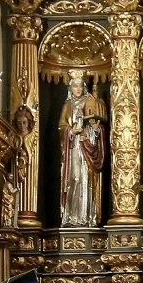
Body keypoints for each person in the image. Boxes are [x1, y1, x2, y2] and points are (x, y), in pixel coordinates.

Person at [59, 71, 106, 227]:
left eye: (80, 86)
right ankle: (72, 217)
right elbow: (61, 127)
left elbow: (97, 126)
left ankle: (87, 217)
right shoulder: (67, 105)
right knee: (75, 179)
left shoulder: (91, 101)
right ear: (70, 88)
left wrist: (95, 129)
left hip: (88, 146)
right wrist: (71, 131)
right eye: (75, 86)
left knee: (86, 180)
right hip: (74, 147)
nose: (77, 89)